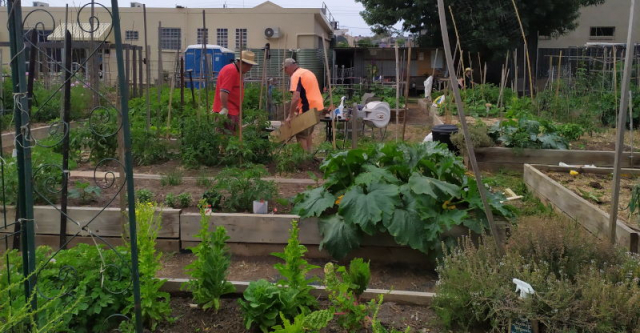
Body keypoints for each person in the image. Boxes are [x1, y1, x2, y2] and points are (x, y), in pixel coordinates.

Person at [282, 58, 324, 152]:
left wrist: (290, 116)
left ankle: (303, 160)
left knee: (301, 135)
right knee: (307, 133)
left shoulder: (296, 76)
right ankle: (309, 156)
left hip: (308, 108)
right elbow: (307, 91)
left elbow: (295, 97)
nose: (285, 72)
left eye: (285, 69)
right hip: (317, 106)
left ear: (288, 67)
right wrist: (298, 107)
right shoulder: (307, 72)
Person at [212, 50, 258, 132]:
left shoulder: (237, 72)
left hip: (233, 110)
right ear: (243, 63)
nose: (250, 69)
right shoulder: (231, 71)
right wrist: (225, 108)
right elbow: (223, 92)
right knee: (226, 137)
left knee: (232, 137)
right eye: (250, 66)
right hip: (228, 111)